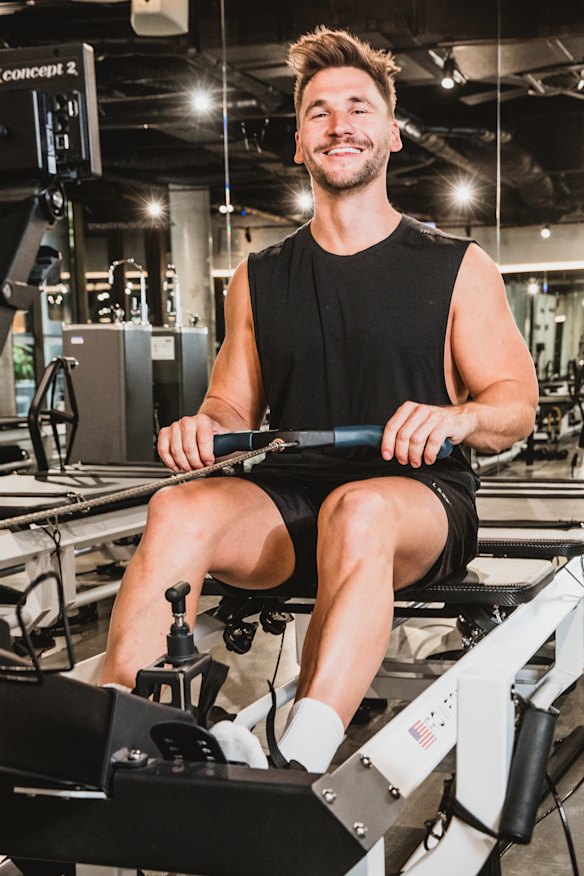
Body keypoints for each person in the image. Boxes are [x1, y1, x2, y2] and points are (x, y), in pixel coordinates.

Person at [100, 27, 538, 772]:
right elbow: (229, 412)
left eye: (360, 109)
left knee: (358, 508)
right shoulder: (259, 276)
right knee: (177, 507)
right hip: (290, 503)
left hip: (415, 502)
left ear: (392, 136)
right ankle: (117, 740)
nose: (341, 124)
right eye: (319, 112)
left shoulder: (458, 267)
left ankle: (300, 757)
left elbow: (515, 407)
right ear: (300, 144)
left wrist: (456, 416)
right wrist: (199, 431)